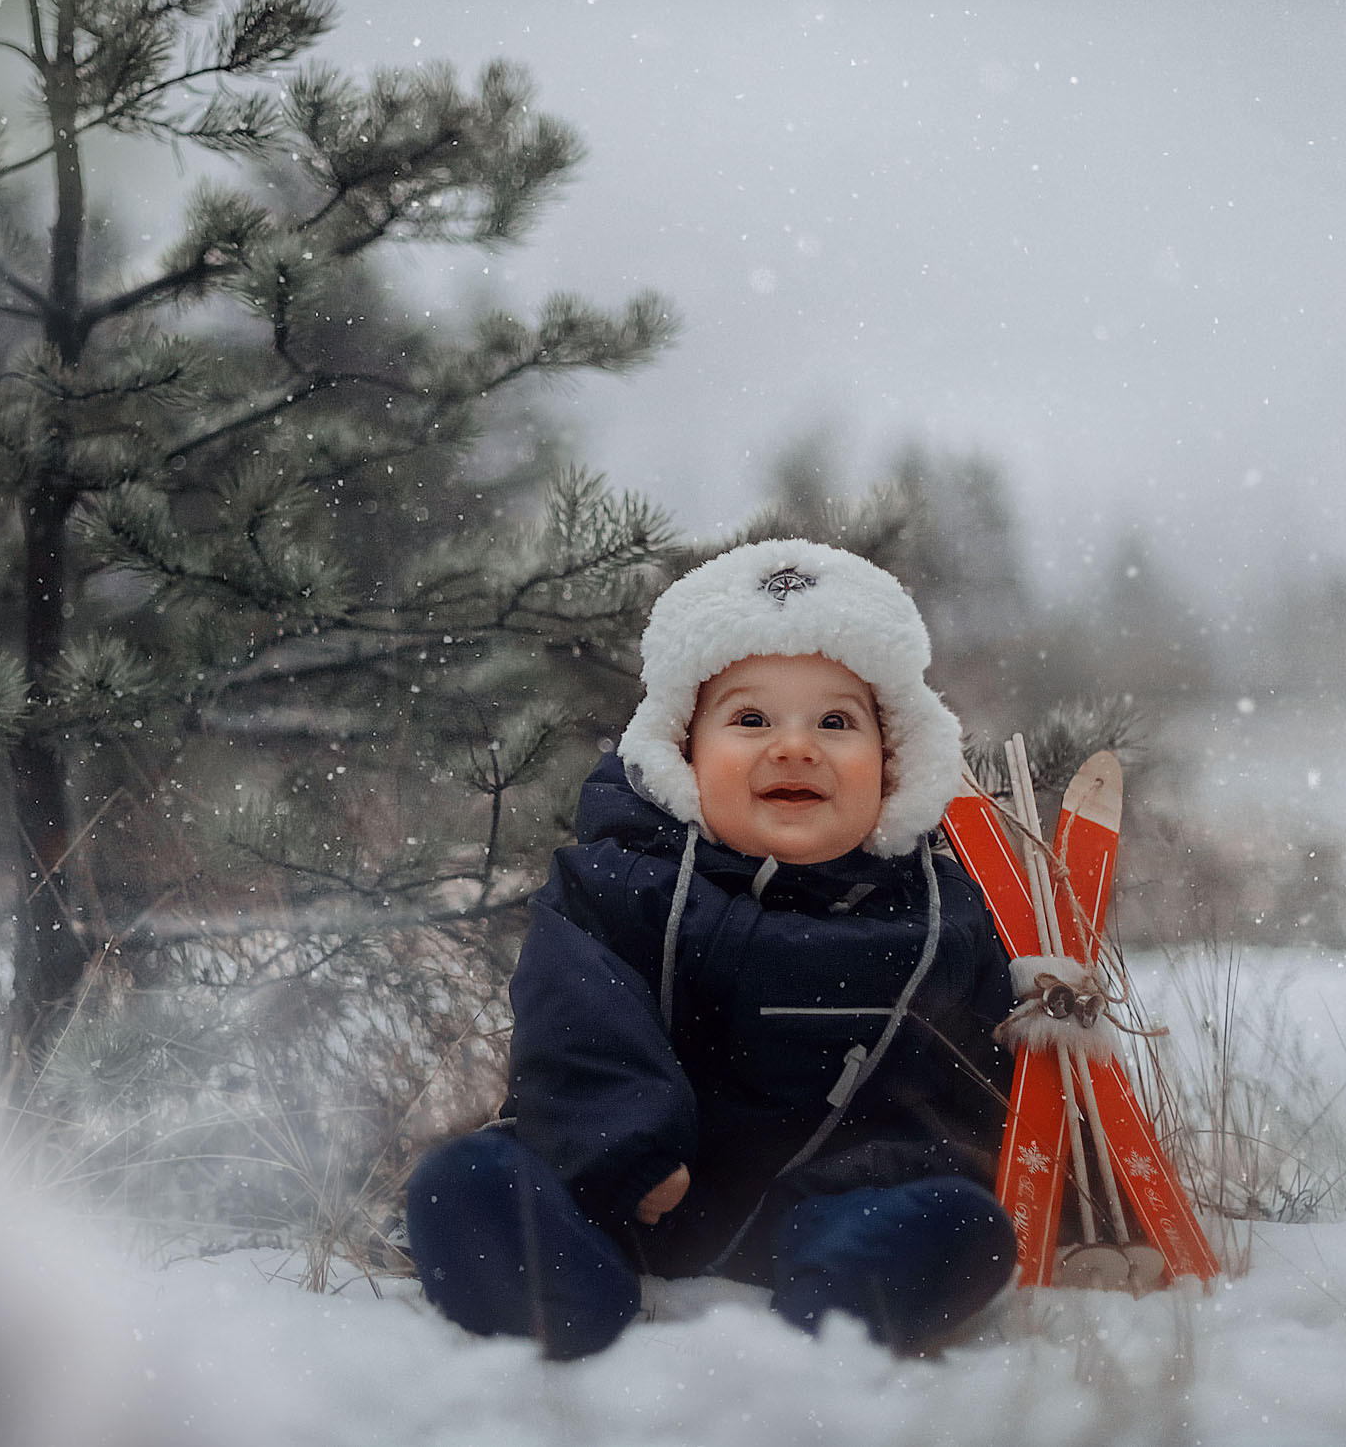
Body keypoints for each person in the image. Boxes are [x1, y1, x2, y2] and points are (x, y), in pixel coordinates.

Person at [405, 539, 1019, 1359]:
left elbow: (978, 1082)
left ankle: (849, 1293)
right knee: (465, 1182)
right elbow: (578, 1021)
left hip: (832, 1202)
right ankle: (559, 1291)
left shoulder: (943, 916)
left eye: (836, 722)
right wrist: (622, 1142)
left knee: (959, 1223)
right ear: (683, 750)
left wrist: (1041, 1020)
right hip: (626, 1192)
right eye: (751, 720)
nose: (795, 747)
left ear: (895, 760)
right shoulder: (619, 883)